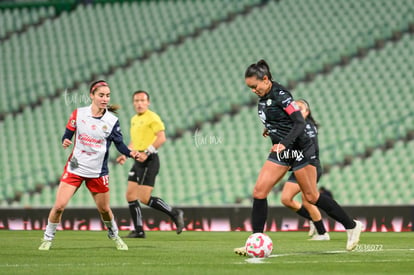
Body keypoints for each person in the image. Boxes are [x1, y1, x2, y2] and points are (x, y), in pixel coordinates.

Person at [234, 60, 362, 255]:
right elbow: (281, 120)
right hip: (283, 152)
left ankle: (352, 225)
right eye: (249, 87)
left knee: (311, 196)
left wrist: (284, 142)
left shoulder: (282, 95)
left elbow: (299, 123)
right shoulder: (264, 98)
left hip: (301, 150)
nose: (252, 90)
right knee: (259, 192)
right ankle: (255, 240)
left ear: (266, 79)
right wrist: (271, 129)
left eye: (254, 86)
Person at [39, 80, 139, 251]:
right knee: (59, 206)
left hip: (98, 172)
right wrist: (65, 139)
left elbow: (120, 144)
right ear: (92, 95)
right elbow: (68, 132)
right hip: (75, 168)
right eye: (101, 95)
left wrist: (130, 153)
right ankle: (48, 238)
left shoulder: (112, 120)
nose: (105, 99)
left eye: (107, 96)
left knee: (105, 210)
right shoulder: (79, 114)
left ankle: (114, 234)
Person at [116, 90, 184, 238]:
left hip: (150, 159)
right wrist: (125, 155)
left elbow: (161, 138)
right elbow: (135, 142)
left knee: (144, 197)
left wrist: (146, 153)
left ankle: (174, 213)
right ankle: (139, 230)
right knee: (130, 195)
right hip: (138, 159)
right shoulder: (134, 119)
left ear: (148, 102)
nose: (139, 103)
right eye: (136, 101)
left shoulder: (153, 118)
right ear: (133, 103)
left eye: (142, 100)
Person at [279, 99, 329, 240]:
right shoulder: (295, 126)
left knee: (308, 199)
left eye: (300, 108)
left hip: (309, 166)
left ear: (307, 112)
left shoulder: (307, 126)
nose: (297, 110)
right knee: (286, 199)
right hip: (299, 166)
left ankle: (322, 233)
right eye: (294, 108)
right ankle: (314, 220)